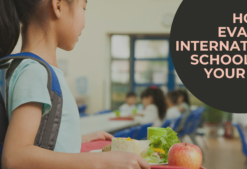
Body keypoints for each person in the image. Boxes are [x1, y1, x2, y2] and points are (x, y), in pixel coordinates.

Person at [0, 1, 149, 169]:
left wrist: (77, 139)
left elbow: (40, 142)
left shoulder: (39, 70)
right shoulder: (34, 72)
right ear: (58, 6)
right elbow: (15, 157)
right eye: (83, 7)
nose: (84, 22)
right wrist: (104, 162)